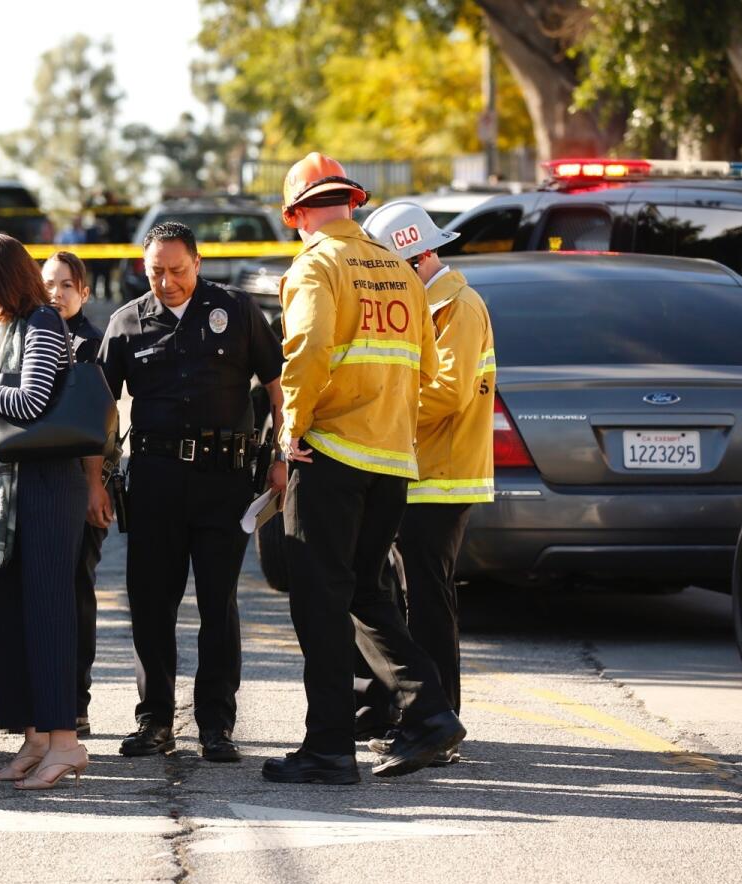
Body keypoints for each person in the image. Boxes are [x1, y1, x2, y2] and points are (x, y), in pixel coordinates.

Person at [264, 153, 464, 786]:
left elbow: (308, 348)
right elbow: (427, 369)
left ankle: (327, 747)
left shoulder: (316, 265)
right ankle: (429, 710)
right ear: (353, 202)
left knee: (320, 603)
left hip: (333, 454)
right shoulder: (400, 272)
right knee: (365, 592)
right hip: (393, 461)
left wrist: (291, 423)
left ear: (296, 214)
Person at [98, 221, 285, 764]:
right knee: (151, 605)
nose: (168, 282)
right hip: (154, 482)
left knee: (218, 605)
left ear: (198, 264)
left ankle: (216, 726)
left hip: (224, 482)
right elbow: (102, 411)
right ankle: (154, 720)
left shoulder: (237, 312)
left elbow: (278, 390)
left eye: (178, 270)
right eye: (156, 271)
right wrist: (95, 479)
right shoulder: (126, 322)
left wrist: (279, 458)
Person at [362, 201, 496, 760]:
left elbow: (446, 392)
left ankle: (439, 724)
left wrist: (374, 402)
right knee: (414, 598)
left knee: (431, 604)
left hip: (442, 479)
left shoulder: (458, 308)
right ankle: (422, 716)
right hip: (420, 473)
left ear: (416, 257)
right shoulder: (430, 305)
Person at [0, 233, 88, 789]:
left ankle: (65, 742)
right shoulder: (9, 328)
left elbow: (31, 403)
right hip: (12, 496)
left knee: (49, 613)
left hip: (47, 488)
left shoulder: (42, 325)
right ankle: (35, 738)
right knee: (14, 616)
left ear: (2, 282)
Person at [42, 250, 115, 734]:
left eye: (67, 285)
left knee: (74, 594)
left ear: (84, 293)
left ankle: (75, 700)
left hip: (80, 481)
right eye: (48, 283)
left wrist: (94, 485)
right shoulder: (29, 334)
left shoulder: (92, 344)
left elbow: (100, 423)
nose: (56, 293)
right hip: (35, 482)